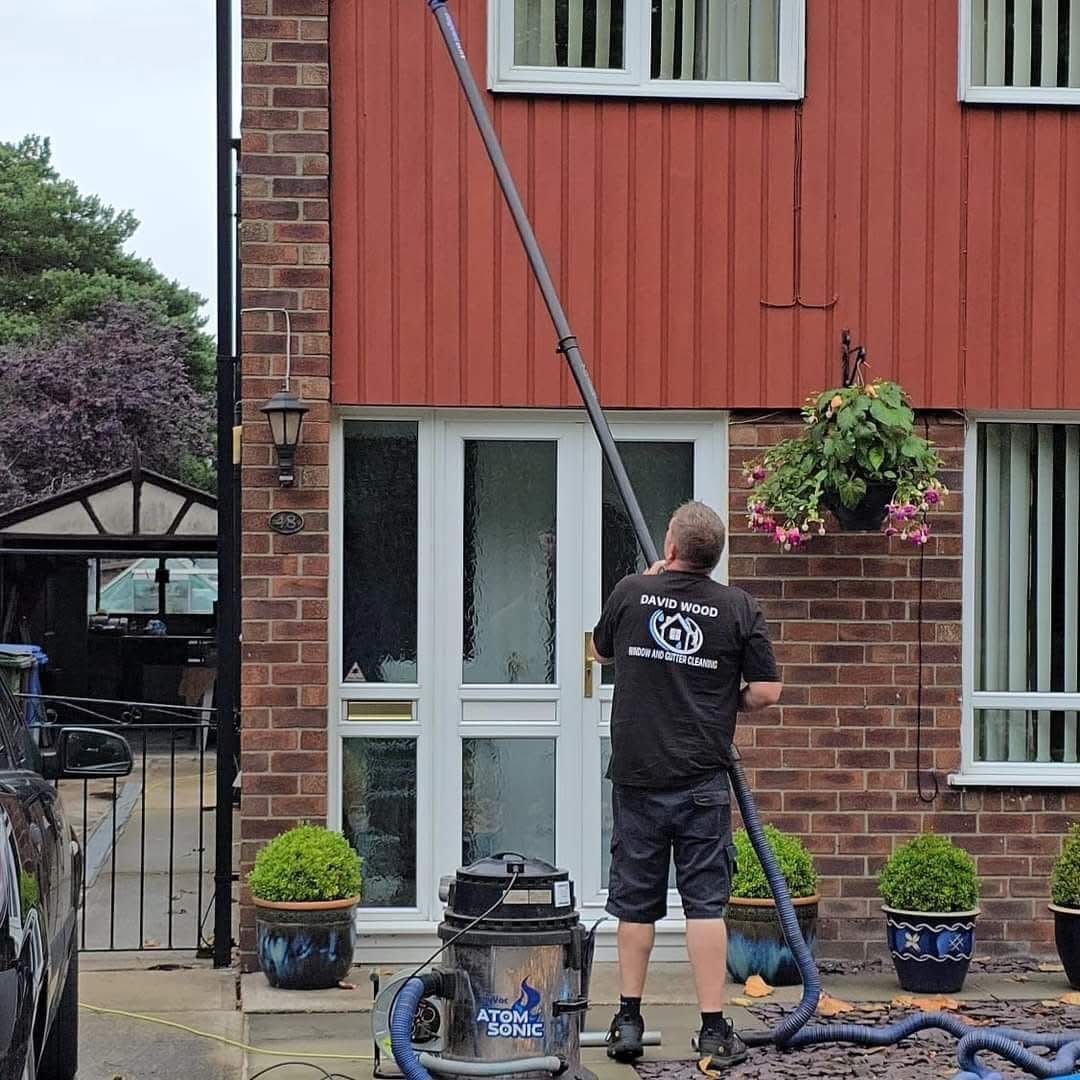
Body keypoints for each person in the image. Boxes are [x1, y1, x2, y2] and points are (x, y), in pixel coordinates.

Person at [591, 500, 783, 1071]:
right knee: (704, 905)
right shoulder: (739, 608)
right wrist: (729, 697)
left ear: (671, 547)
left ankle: (627, 1019)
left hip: (638, 779)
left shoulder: (630, 592)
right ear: (714, 556)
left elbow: (598, 650)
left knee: (636, 903)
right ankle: (713, 1028)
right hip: (703, 782)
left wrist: (647, 586)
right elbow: (769, 691)